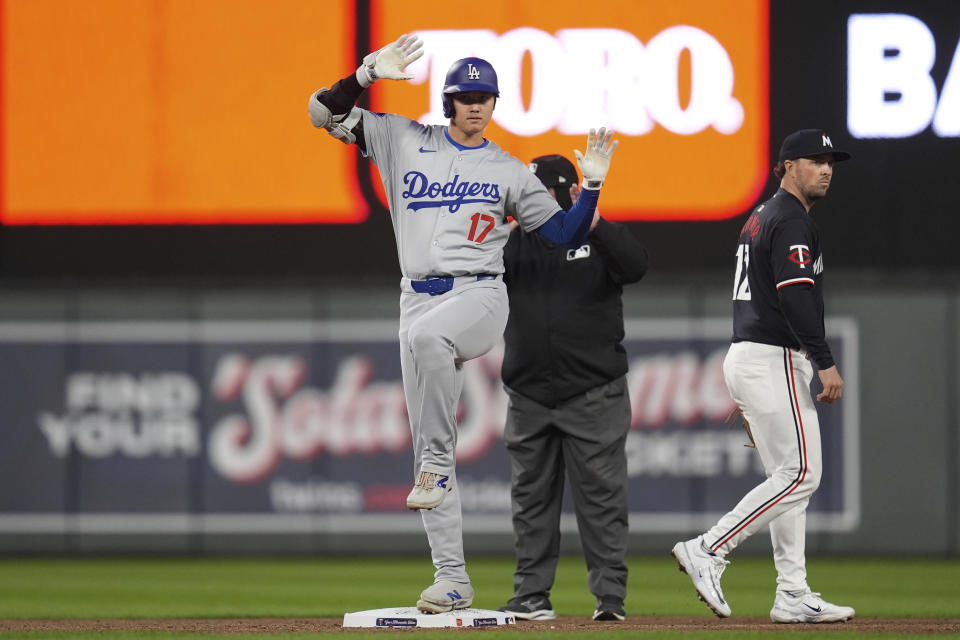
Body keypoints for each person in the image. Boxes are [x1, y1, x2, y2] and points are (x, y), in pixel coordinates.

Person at [307, 35, 618, 614]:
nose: (475, 105)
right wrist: (366, 73)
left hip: (479, 295)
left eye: (484, 97)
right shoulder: (403, 139)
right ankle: (451, 578)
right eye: (465, 96)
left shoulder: (507, 170)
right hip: (415, 297)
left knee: (430, 352)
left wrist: (592, 187)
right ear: (448, 101)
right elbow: (321, 112)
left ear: (495, 104)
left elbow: (562, 237)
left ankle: (431, 463)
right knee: (432, 444)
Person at [671, 129, 855, 624]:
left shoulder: (761, 217)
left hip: (755, 354)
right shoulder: (791, 218)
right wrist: (824, 359)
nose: (826, 168)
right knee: (801, 474)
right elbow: (795, 294)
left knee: (786, 478)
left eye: (830, 160)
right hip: (772, 355)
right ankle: (709, 548)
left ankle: (792, 593)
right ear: (786, 166)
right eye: (814, 159)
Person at [496, 154, 648, 622]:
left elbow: (636, 265)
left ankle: (610, 599)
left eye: (540, 193)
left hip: (592, 392)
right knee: (531, 501)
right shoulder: (509, 244)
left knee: (602, 499)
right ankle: (531, 595)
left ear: (567, 194)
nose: (531, 202)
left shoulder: (595, 236)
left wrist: (596, 221)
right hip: (529, 395)